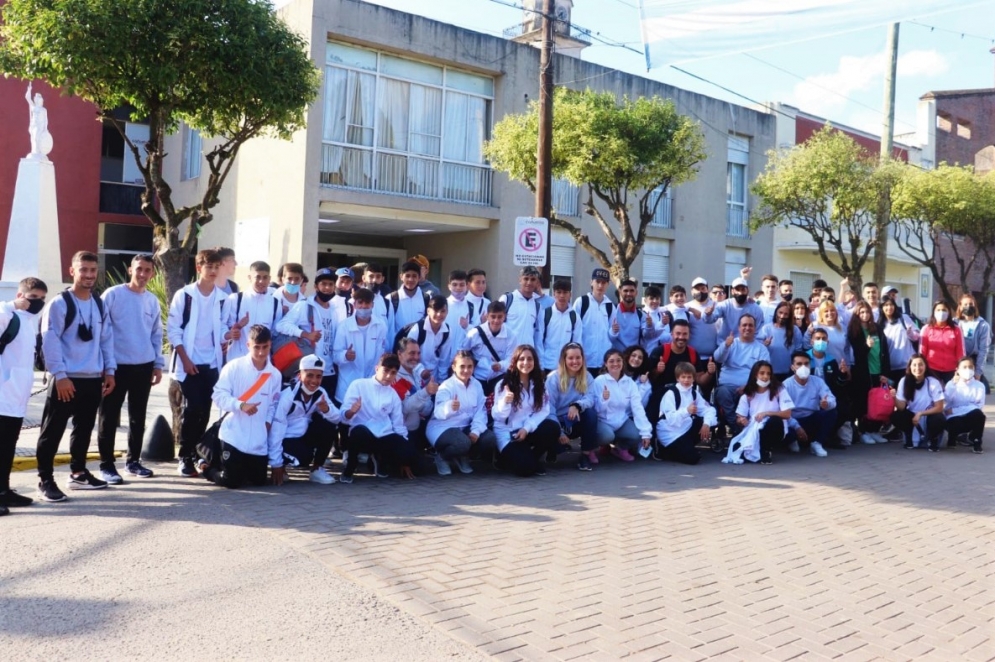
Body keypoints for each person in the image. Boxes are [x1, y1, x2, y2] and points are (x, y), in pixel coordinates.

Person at [37, 251, 116, 498]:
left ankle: (78, 474)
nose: (89, 275)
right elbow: (50, 341)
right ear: (72, 271)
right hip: (66, 379)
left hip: (92, 379)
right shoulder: (60, 304)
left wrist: (110, 371)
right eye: (84, 270)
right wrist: (60, 375)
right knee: (52, 431)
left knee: (83, 430)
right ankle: (45, 480)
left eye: (93, 270)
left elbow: (106, 340)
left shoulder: (99, 303)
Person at [97, 254, 163, 482]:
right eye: (139, 269)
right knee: (108, 416)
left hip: (143, 367)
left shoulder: (152, 300)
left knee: (138, 417)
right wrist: (106, 367)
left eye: (147, 270)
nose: (143, 274)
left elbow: (156, 333)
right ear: (130, 270)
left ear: (152, 273)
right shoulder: (113, 295)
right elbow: (101, 331)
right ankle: (106, 465)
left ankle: (133, 461)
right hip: (115, 367)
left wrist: (158, 364)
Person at [199, 325, 283, 488]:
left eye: (265, 347)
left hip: (258, 441)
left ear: (270, 345)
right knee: (230, 481)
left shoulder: (275, 375)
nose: (261, 352)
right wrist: (240, 405)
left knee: (258, 481)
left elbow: (273, 405)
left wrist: (267, 423)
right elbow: (217, 395)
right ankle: (205, 466)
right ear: (248, 345)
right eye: (256, 347)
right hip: (233, 435)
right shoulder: (234, 367)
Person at [168, 248, 227, 478]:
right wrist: (185, 359)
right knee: (192, 410)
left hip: (212, 363)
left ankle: (195, 453)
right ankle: (184, 456)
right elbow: (174, 331)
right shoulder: (185, 295)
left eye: (216, 267)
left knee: (204, 411)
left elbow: (220, 330)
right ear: (199, 267)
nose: (212, 271)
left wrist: (230, 334)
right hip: (188, 362)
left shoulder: (222, 298)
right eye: (208, 266)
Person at [0, 277, 48, 511]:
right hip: (2, 395)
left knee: (8, 446)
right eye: (33, 298)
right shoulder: (9, 315)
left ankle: (4, 490)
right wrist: (10, 305)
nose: (38, 303)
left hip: (16, 398)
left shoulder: (30, 322)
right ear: (20, 296)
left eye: (41, 298)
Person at [340, 353, 418, 482]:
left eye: (393, 373)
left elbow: (398, 425)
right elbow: (343, 416)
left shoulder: (393, 395)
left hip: (384, 435)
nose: (388, 376)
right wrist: (352, 411)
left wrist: (405, 451)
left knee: (409, 452)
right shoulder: (358, 385)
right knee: (358, 432)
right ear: (377, 368)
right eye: (385, 370)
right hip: (362, 433)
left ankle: (380, 461)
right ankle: (350, 467)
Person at [269, 355, 340, 485]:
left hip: (302, 435)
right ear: (300, 375)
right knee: (303, 458)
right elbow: (276, 429)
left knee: (328, 424)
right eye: (310, 375)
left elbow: (337, 419)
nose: (314, 381)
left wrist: (326, 410)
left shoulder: (320, 393)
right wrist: (276, 463)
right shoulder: (288, 396)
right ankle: (282, 466)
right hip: (285, 437)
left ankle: (317, 469)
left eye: (318, 376)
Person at [491, 345, 560, 477]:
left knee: (552, 428)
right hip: (508, 433)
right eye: (521, 359)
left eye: (530, 359)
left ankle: (531, 459)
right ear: (515, 362)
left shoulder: (539, 383)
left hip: (526, 430)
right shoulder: (503, 384)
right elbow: (498, 416)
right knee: (525, 470)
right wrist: (505, 402)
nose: (526, 363)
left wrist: (527, 428)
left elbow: (544, 410)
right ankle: (505, 458)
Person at [426, 350, 497, 475]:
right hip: (443, 427)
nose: (466, 370)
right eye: (462, 366)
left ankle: (463, 456)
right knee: (462, 442)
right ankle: (442, 457)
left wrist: (475, 431)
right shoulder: (447, 386)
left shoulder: (476, 385)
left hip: (465, 428)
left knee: (489, 438)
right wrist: (449, 407)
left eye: (470, 367)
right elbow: (438, 412)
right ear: (454, 367)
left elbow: (481, 411)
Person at [277, 267, 339, 396]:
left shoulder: (335, 309)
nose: (327, 288)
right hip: (309, 372)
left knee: (324, 413)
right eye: (323, 284)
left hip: (329, 370)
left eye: (330, 284)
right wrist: (305, 334)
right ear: (316, 286)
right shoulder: (304, 305)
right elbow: (281, 325)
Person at [591, 349, 653, 462]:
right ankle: (590, 450)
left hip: (620, 421)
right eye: (611, 361)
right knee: (607, 436)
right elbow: (595, 410)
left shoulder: (630, 383)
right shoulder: (599, 381)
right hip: (602, 420)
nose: (615, 364)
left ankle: (619, 449)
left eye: (618, 360)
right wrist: (604, 399)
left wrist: (645, 432)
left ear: (623, 362)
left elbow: (637, 408)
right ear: (606, 363)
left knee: (637, 434)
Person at [713, 316, 771, 435]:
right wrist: (726, 346)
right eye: (744, 325)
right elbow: (717, 358)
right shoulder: (731, 343)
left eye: (750, 325)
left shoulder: (761, 349)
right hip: (727, 387)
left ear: (755, 328)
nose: (747, 328)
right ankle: (737, 427)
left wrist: (749, 386)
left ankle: (739, 428)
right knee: (722, 393)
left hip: (751, 388)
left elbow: (765, 372)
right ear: (739, 328)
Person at [545, 343, 599, 471]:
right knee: (548, 428)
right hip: (556, 421)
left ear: (582, 359)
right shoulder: (553, 378)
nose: (575, 361)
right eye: (570, 358)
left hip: (573, 418)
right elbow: (548, 407)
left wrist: (577, 405)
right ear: (564, 359)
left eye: (578, 357)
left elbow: (590, 398)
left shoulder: (587, 376)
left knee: (590, 414)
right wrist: (559, 431)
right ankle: (552, 448)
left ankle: (585, 456)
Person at [332, 287, 388, 405]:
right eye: (360, 302)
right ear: (355, 304)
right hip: (347, 384)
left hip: (371, 384)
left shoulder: (381, 326)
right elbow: (335, 356)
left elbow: (380, 357)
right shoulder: (344, 326)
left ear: (372, 304)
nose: (363, 306)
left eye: (367, 303)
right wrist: (345, 356)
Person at [654, 361, 717, 465]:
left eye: (689, 377)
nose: (686, 380)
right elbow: (671, 420)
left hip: (684, 428)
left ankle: (686, 447)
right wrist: (686, 411)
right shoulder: (671, 394)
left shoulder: (693, 392)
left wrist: (706, 424)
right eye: (683, 377)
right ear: (678, 378)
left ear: (693, 378)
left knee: (704, 421)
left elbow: (709, 409)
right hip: (670, 433)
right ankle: (664, 450)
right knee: (693, 459)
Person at [847, 300, 891, 445]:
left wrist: (885, 373)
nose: (865, 315)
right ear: (857, 314)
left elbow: (884, 352)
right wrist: (866, 346)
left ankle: (874, 430)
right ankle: (863, 431)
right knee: (864, 403)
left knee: (878, 402)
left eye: (867, 312)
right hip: (863, 373)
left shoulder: (877, 329)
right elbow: (858, 355)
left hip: (878, 371)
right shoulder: (855, 330)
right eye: (862, 312)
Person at [733, 361, 794, 465]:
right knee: (736, 448)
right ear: (755, 374)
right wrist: (742, 420)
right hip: (754, 429)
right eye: (762, 373)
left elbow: (787, 414)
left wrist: (767, 413)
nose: (765, 376)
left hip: (774, 429)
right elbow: (739, 417)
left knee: (775, 421)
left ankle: (766, 450)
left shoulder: (779, 390)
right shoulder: (747, 395)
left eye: (768, 373)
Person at [224, 261, 281, 362]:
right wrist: (233, 330)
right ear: (250, 278)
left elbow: (275, 333)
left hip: (262, 362)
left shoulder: (275, 303)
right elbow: (224, 327)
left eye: (265, 277)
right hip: (236, 360)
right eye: (257, 277)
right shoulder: (235, 299)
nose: (261, 281)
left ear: (269, 279)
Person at [783, 352, 835, 457]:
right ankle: (792, 442)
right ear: (792, 367)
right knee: (780, 423)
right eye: (799, 364)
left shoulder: (818, 382)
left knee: (832, 412)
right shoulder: (786, 385)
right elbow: (783, 412)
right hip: (792, 421)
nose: (803, 367)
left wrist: (826, 404)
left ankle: (817, 443)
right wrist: (797, 427)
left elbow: (832, 400)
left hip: (811, 418)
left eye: (806, 363)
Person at [808, 327, 853, 445]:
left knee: (844, 409)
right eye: (817, 338)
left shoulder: (831, 360)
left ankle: (829, 435)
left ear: (827, 342)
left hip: (827, 395)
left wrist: (843, 374)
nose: (820, 341)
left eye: (823, 339)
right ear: (811, 341)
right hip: (808, 395)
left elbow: (838, 384)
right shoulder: (804, 358)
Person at [891, 354, 945, 451]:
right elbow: (901, 407)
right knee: (896, 416)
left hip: (929, 415)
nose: (917, 368)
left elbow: (939, 407)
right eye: (914, 365)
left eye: (920, 364)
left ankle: (933, 439)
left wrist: (920, 413)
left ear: (925, 366)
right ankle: (909, 438)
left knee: (939, 418)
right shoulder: (904, 381)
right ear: (910, 367)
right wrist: (894, 397)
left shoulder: (933, 382)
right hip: (912, 417)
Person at [463, 301, 514, 393]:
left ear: (504, 317)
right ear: (487, 316)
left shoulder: (511, 335)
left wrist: (501, 365)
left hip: (499, 376)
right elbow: (462, 353)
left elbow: (511, 358)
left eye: (500, 317)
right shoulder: (474, 333)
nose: (496, 320)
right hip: (477, 377)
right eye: (493, 316)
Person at [403, 295, 454, 382]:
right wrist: (421, 371)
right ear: (428, 311)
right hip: (414, 377)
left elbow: (444, 360)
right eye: (436, 310)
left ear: (447, 312)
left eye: (443, 311)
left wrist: (441, 382)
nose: (439, 314)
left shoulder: (448, 331)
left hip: (434, 378)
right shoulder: (417, 329)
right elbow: (407, 355)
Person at [573, 269, 614, 377]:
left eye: (603, 282)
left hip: (603, 362)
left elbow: (612, 335)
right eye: (597, 282)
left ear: (608, 284)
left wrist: (614, 331)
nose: (600, 285)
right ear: (591, 282)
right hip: (584, 360)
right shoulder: (581, 302)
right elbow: (573, 329)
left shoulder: (610, 306)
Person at [537, 279, 583, 372]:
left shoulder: (574, 317)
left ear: (570, 295)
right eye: (559, 292)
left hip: (566, 367)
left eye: (565, 292)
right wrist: (540, 366)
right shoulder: (545, 314)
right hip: (546, 366)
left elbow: (577, 343)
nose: (562, 295)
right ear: (554, 294)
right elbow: (539, 342)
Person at [943, 356, 986, 454]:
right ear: (957, 369)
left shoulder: (979, 386)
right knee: (955, 422)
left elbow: (979, 406)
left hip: (969, 417)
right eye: (964, 367)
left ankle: (977, 442)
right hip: (953, 419)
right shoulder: (951, 384)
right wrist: (954, 384)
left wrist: (955, 410)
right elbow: (946, 402)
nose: (968, 370)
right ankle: (952, 437)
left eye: (970, 367)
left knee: (979, 415)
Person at [704, 276, 764, 341]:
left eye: (743, 290)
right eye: (737, 290)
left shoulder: (756, 309)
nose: (740, 293)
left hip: (746, 347)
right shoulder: (725, 305)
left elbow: (758, 332)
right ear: (732, 291)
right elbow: (710, 320)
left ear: (747, 291)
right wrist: (708, 314)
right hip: (726, 346)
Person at [609, 279, 663, 352]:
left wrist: (649, 326)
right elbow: (606, 337)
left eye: (632, 291)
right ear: (620, 292)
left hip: (633, 358)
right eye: (625, 291)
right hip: (617, 358)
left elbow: (647, 336)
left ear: (636, 293)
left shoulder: (641, 315)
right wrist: (612, 332)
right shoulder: (612, 311)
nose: (629, 293)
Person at [918, 300, 964, 384]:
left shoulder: (956, 329)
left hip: (951, 370)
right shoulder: (926, 329)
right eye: (938, 310)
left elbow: (960, 352)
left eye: (944, 310)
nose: (941, 312)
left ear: (949, 312)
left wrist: (960, 370)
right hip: (931, 370)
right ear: (933, 312)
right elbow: (922, 352)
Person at [758, 300, 804, 382]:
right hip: (770, 372)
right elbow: (758, 349)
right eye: (780, 312)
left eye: (786, 314)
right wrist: (764, 345)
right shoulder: (766, 328)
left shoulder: (795, 330)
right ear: (776, 312)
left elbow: (798, 351)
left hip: (789, 373)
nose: (782, 316)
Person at [880, 297, 920, 386]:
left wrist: (910, 334)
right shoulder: (880, 324)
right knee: (894, 395)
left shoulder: (903, 318)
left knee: (909, 393)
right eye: (886, 305)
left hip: (907, 366)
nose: (889, 307)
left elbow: (917, 336)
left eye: (891, 304)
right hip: (891, 368)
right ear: (881, 307)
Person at [499, 266, 542, 350]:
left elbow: (538, 336)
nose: (529, 282)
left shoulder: (538, 306)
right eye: (526, 279)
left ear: (537, 282)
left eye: (533, 279)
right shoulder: (507, 299)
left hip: (527, 357)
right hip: (508, 354)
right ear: (520, 280)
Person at [956, 294, 991, 394]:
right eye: (965, 304)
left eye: (971, 304)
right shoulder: (955, 323)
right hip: (958, 361)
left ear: (975, 305)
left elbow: (983, 350)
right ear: (960, 306)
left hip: (973, 362)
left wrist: (978, 372)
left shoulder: (983, 325)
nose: (968, 306)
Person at [386, 261, 429, 340]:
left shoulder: (426, 298)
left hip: (419, 346)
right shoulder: (391, 298)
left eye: (414, 276)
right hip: (399, 346)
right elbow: (388, 327)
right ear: (401, 277)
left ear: (419, 278)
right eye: (407, 276)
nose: (410, 279)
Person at [806, 300, 850, 364]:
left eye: (832, 310)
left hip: (840, 366)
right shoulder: (814, 326)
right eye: (826, 311)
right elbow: (806, 345)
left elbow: (847, 349)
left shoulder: (843, 328)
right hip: (819, 367)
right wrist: (808, 333)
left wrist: (848, 365)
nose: (829, 313)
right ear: (821, 313)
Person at [446, 270, 472, 349]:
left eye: (461, 285)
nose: (458, 288)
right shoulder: (443, 305)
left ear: (467, 286)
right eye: (454, 284)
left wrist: (467, 326)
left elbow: (477, 331)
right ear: (449, 286)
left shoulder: (471, 307)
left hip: (463, 355)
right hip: (444, 353)